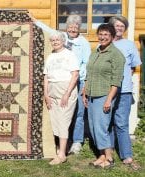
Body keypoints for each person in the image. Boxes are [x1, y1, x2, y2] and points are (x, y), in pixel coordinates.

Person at [83, 23, 125, 168]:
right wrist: (84, 93)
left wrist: (108, 100)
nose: (103, 37)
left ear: (112, 36)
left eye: (106, 34)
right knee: (94, 127)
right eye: (101, 34)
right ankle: (101, 155)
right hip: (91, 95)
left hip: (103, 96)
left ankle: (109, 158)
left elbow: (116, 81)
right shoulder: (96, 51)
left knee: (101, 127)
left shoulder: (116, 55)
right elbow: (89, 74)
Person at [108, 16, 142, 170]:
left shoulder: (129, 45)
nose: (120, 28)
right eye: (117, 25)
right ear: (111, 27)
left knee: (121, 123)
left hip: (124, 91)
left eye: (123, 26)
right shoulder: (105, 44)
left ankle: (126, 155)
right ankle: (108, 153)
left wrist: (125, 78)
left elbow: (134, 66)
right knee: (107, 123)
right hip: (106, 90)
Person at [44, 31, 79, 165]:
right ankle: (59, 149)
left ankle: (62, 155)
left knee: (63, 121)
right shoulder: (50, 57)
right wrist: (46, 94)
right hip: (52, 89)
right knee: (55, 121)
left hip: (65, 89)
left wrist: (67, 93)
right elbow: (46, 76)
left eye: (57, 40)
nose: (55, 42)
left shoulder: (70, 55)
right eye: (52, 40)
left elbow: (75, 75)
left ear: (63, 41)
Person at [64, 15, 91, 155]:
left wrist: (84, 82)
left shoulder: (84, 43)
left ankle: (77, 141)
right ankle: (64, 140)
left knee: (79, 112)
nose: (73, 29)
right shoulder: (62, 38)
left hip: (78, 81)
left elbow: (87, 63)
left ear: (79, 28)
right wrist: (35, 21)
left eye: (76, 27)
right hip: (62, 81)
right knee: (64, 111)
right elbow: (49, 31)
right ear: (66, 27)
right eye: (70, 27)